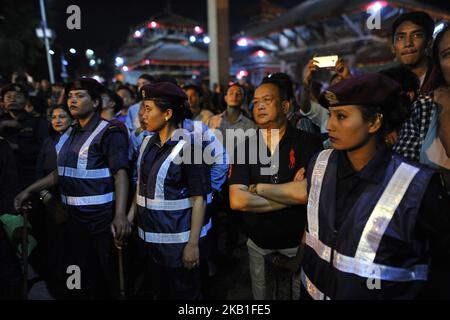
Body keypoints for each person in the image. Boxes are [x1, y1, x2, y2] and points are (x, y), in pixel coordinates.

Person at [300, 73, 450, 300]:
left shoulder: (417, 186)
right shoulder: (320, 164)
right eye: (330, 115)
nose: (329, 125)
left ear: (374, 122)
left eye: (341, 116)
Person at [14, 78, 131, 299]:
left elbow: (121, 174)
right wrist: (28, 190)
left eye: (80, 95)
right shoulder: (71, 132)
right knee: (76, 272)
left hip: (99, 219)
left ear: (96, 103)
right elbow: (61, 172)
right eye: (70, 96)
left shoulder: (110, 132)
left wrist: (120, 215)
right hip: (72, 219)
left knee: (103, 276)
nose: (73, 100)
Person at [228, 77, 323, 300]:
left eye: (267, 100)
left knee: (298, 295)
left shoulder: (308, 143)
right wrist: (292, 194)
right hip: (259, 244)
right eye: (255, 101)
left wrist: (258, 188)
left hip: (297, 244)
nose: (258, 106)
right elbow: (237, 201)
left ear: (285, 106)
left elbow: (310, 194)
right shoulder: (245, 146)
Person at [127, 82, 211, 299]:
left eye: (148, 109)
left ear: (167, 114)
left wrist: (192, 245)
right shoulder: (147, 143)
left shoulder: (191, 147)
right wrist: (129, 218)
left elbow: (199, 200)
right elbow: (141, 189)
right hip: (149, 244)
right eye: (141, 108)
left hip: (177, 247)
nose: (142, 115)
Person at [0, 83, 49, 189]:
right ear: (3, 101)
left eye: (18, 96)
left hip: (29, 177)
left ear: (26, 101)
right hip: (4, 180)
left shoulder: (37, 121)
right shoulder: (1, 122)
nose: (12, 99)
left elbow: (44, 149)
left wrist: (16, 147)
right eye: (8, 97)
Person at [391, 11, 437, 93]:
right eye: (400, 37)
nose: (408, 43)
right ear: (393, 47)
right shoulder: (386, 82)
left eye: (416, 35)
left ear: (429, 41)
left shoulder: (443, 76)